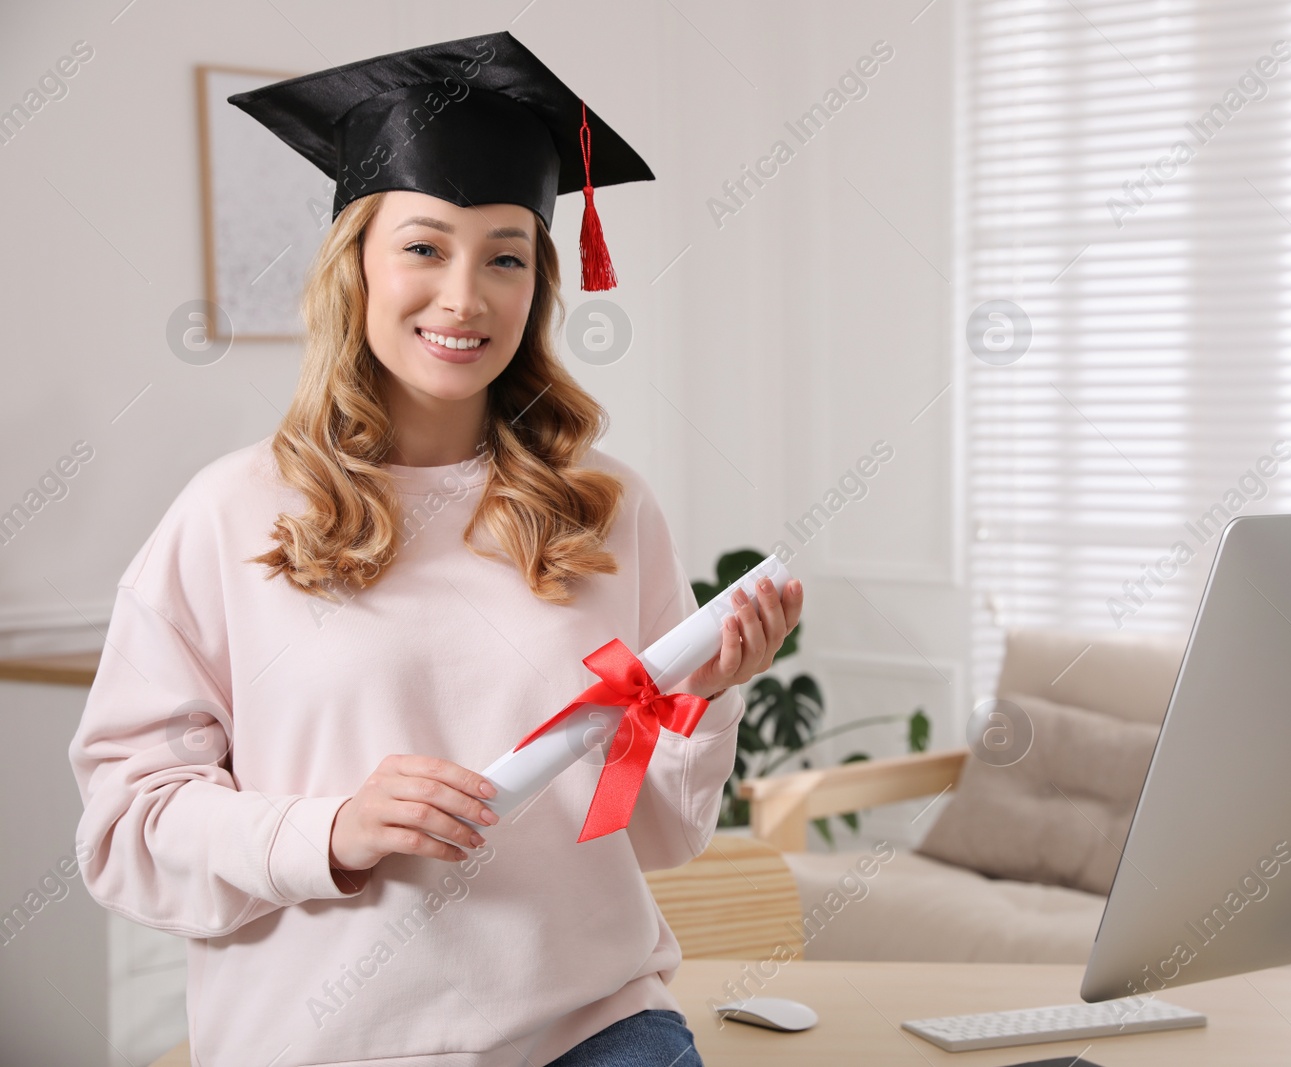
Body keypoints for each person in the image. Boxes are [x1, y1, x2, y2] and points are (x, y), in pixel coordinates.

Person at [66, 31, 802, 1067]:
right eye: (423, 246)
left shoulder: (605, 509)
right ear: (355, 261)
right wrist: (332, 830)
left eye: (505, 255)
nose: (465, 297)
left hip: (596, 1027)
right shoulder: (230, 512)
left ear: (537, 284)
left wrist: (706, 695)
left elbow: (649, 832)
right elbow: (126, 830)